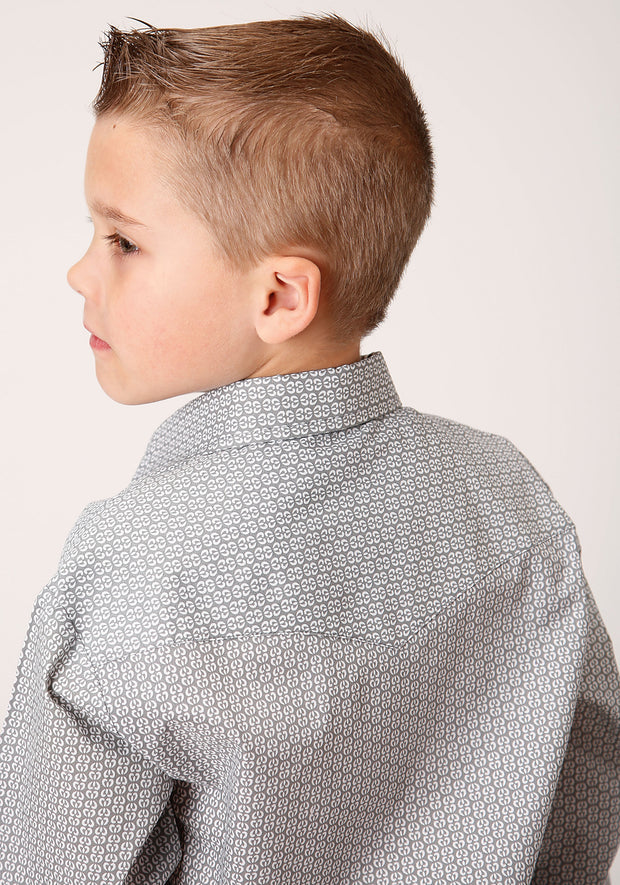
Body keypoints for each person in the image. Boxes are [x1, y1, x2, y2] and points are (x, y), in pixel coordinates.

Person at [0, 14, 618, 884]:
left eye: (124, 241)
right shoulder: (508, 499)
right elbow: (587, 779)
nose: (80, 272)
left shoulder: (133, 565)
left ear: (282, 296)